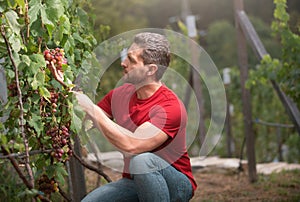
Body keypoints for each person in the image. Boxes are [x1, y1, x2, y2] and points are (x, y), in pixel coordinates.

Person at [74, 32, 197, 202]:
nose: (123, 63)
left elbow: (132, 145)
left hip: (175, 184)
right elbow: (85, 122)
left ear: (151, 69)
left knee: (142, 160)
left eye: (131, 60)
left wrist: (91, 109)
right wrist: (66, 91)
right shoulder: (119, 96)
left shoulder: (170, 107)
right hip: (134, 180)